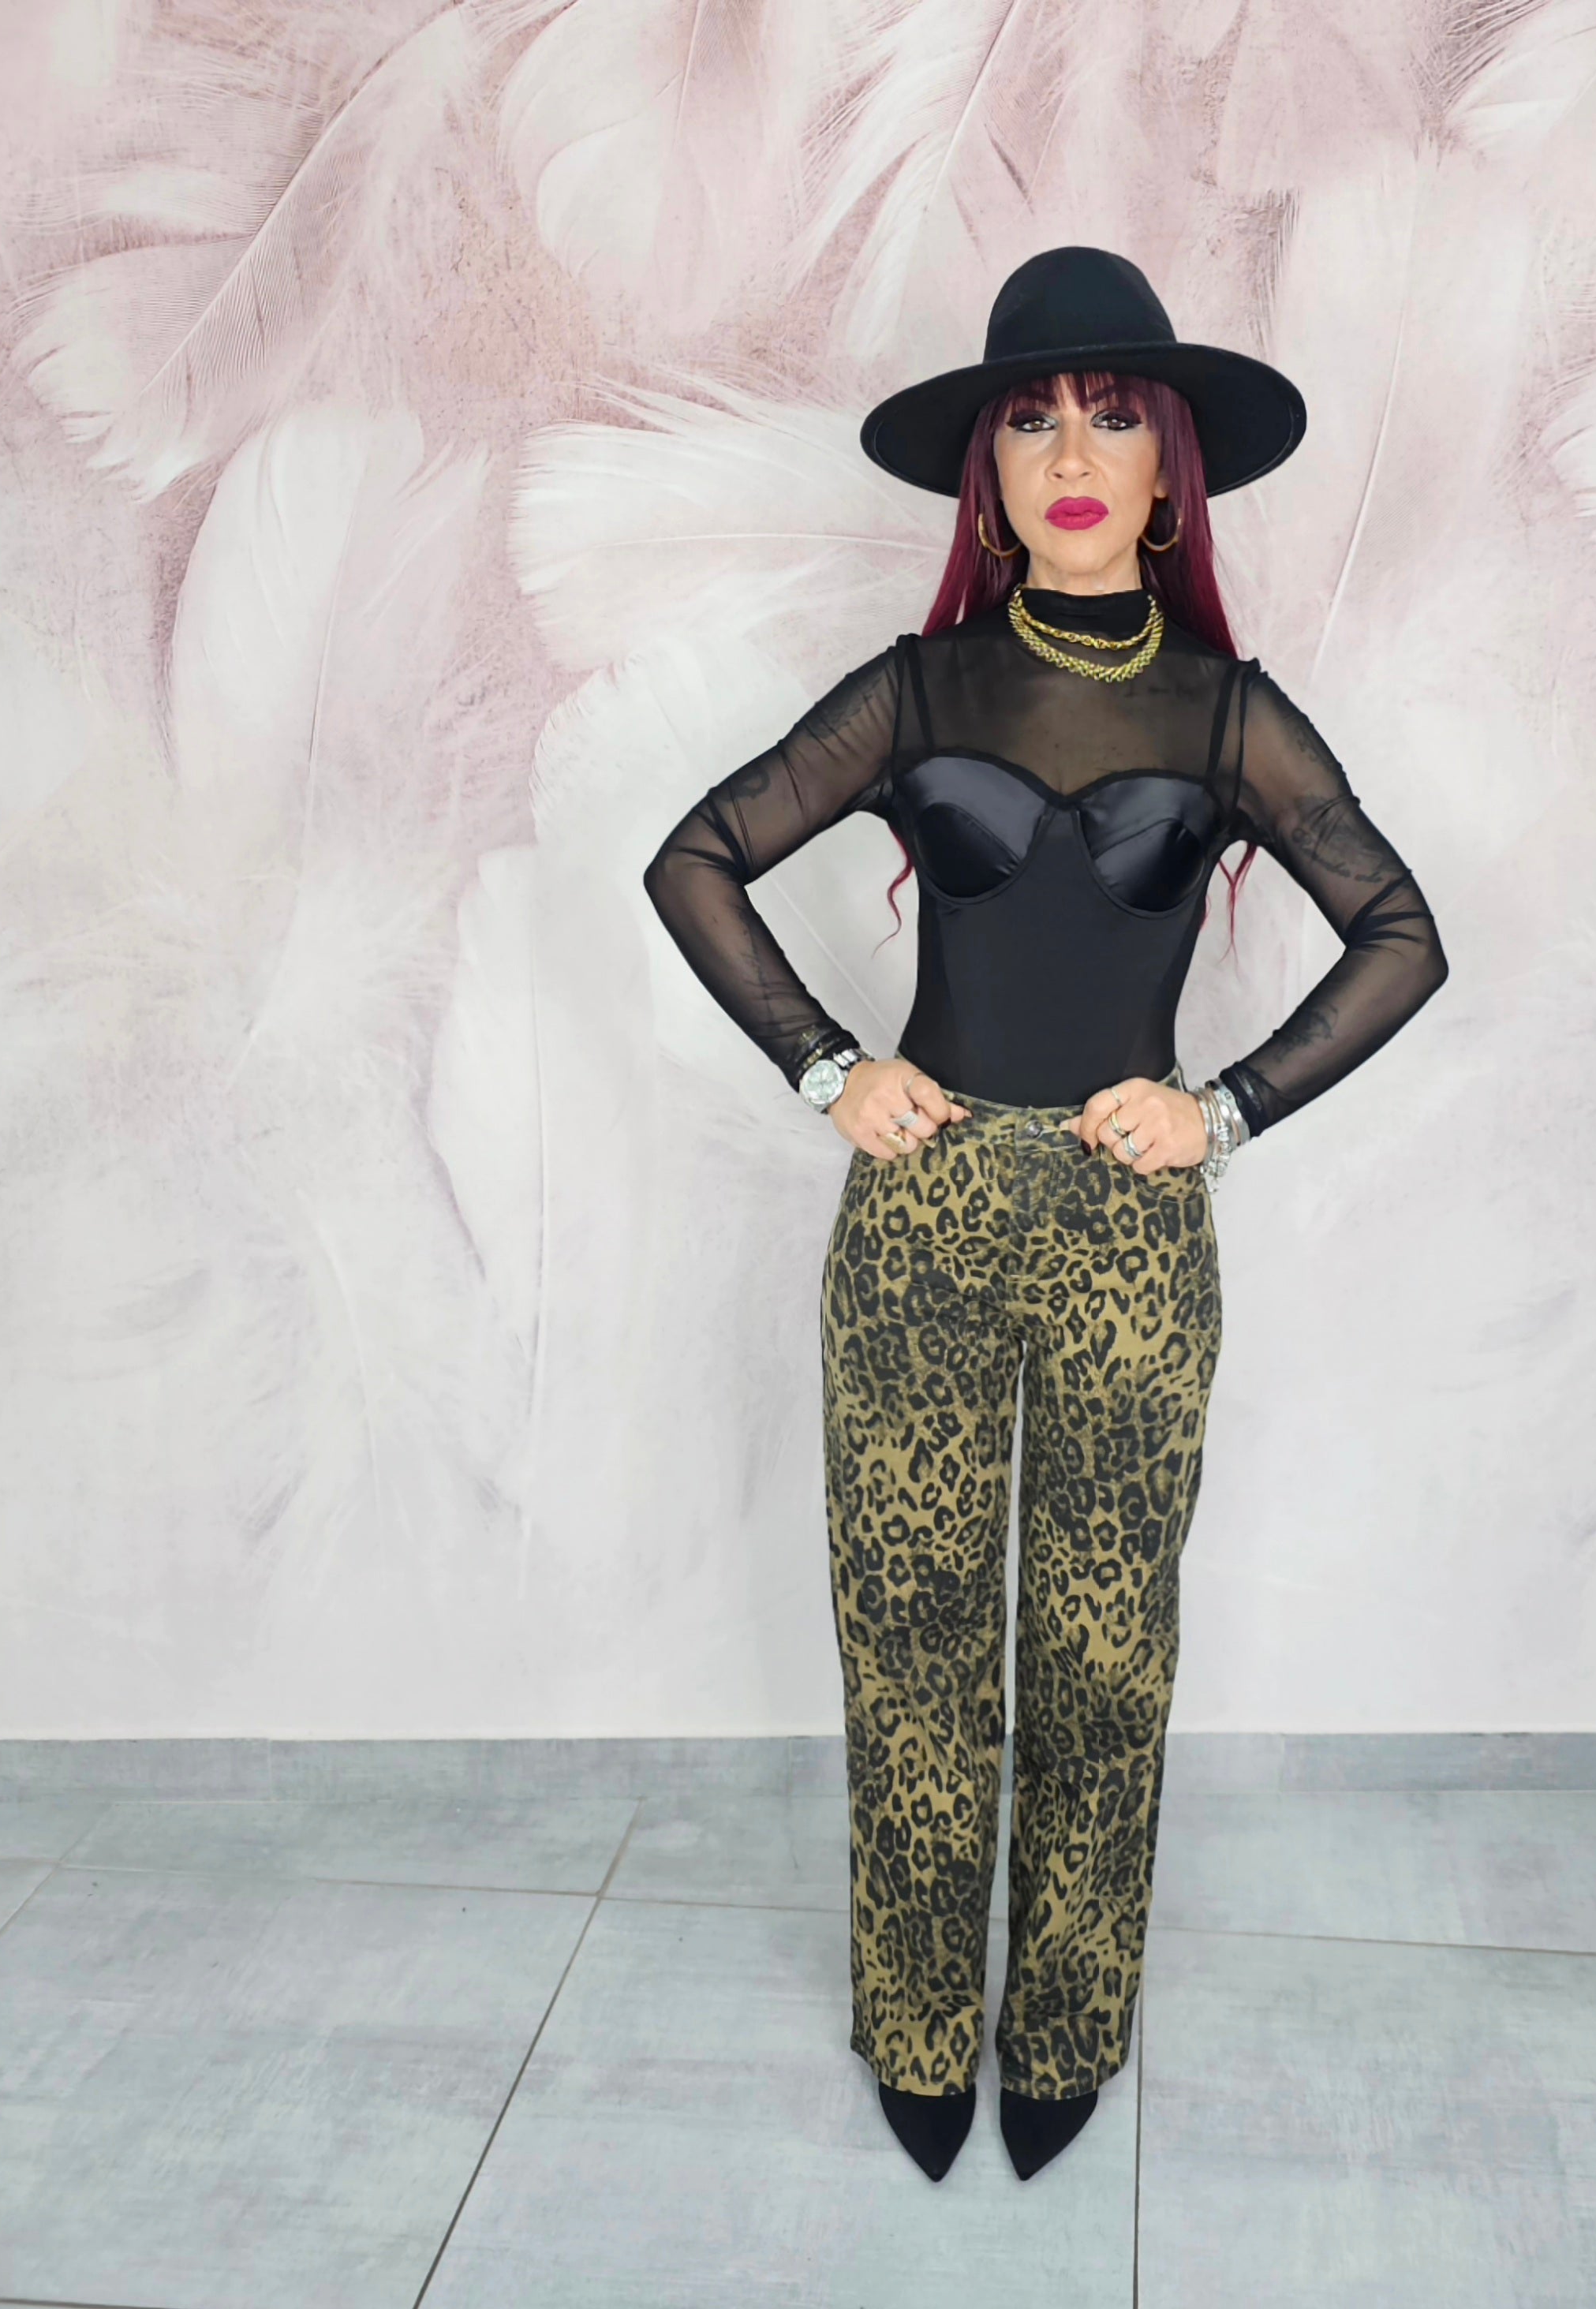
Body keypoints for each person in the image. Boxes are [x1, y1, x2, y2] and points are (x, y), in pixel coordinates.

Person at [643, 246, 1448, 2184]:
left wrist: (1224, 1107)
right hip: (920, 1227)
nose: (1069, 453)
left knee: (1101, 1650)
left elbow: (1402, 933)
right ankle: (921, 2025)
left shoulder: (1227, 713)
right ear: (984, 475)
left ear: (1171, 470)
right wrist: (830, 1068)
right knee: (911, 1639)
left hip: (1123, 1236)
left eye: (1109, 419)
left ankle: (1068, 2026)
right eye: (1028, 421)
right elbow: (696, 858)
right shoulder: (917, 688)